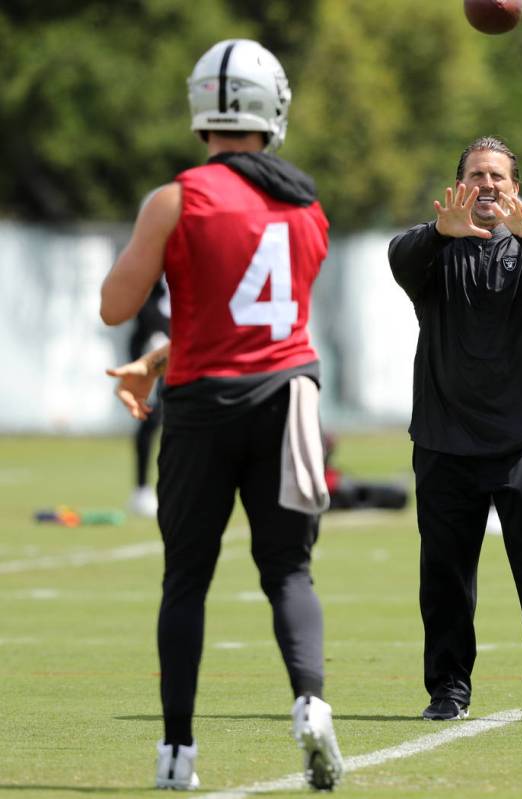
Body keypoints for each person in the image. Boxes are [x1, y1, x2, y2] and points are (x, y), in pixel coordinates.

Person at [100, 39, 343, 790]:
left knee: (186, 579)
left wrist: (151, 355)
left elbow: (115, 305)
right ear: (274, 107)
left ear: (201, 106)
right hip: (286, 397)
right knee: (290, 571)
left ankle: (177, 752)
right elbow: (256, 318)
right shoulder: (306, 204)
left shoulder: (177, 197)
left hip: (204, 406)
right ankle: (310, 705)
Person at [388, 136, 522, 724]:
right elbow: (399, 257)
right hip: (445, 437)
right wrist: (435, 232)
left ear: (515, 188)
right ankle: (448, 690)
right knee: (445, 574)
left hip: (521, 438)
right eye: (477, 174)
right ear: (459, 185)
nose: (488, 184)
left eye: (498, 175)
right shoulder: (432, 252)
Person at [126, 276, 170, 518]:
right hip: (154, 349)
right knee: (152, 417)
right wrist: (158, 332)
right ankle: (141, 489)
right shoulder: (158, 257)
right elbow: (143, 299)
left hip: (185, 347)